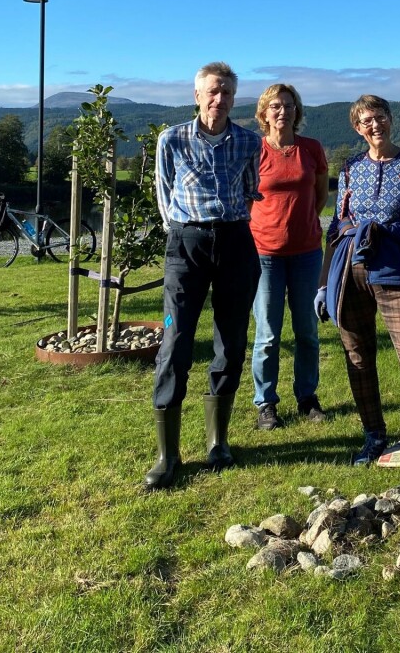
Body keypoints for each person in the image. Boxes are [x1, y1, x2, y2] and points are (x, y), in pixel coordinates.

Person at [313, 95, 400, 483]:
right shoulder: (350, 169)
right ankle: (373, 435)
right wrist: (323, 284)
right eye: (366, 121)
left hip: (396, 270)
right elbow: (336, 228)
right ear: (357, 128)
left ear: (390, 119)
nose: (375, 125)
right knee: (357, 356)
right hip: (349, 272)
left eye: (380, 117)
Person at [144, 61, 262, 490]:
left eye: (226, 92)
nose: (219, 99)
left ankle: (218, 442)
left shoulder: (249, 141)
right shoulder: (171, 139)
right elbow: (164, 193)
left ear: (234, 97)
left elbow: (250, 189)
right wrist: (183, 230)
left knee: (231, 341)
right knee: (175, 342)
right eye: (212, 91)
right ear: (197, 96)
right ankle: (167, 454)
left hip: (235, 243)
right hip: (185, 244)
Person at [249, 84, 329, 430]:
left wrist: (302, 223)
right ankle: (265, 403)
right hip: (264, 254)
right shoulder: (254, 150)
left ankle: (307, 397)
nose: (282, 111)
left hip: (307, 254)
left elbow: (320, 195)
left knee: (307, 331)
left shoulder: (311, 148)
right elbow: (244, 197)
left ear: (297, 111)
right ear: (264, 113)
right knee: (268, 334)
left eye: (289, 105)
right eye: (275, 106)